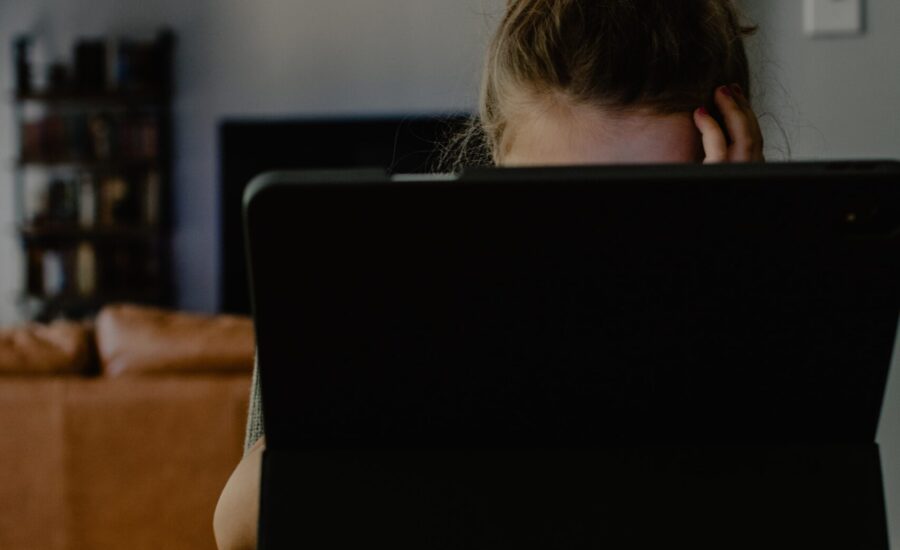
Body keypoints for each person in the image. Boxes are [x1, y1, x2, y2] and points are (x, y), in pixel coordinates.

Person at [213, 1, 763, 548]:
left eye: (645, 209)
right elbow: (238, 530)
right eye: (548, 204)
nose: (587, 252)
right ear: (497, 157)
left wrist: (710, 268)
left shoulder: (753, 313)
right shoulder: (400, 297)